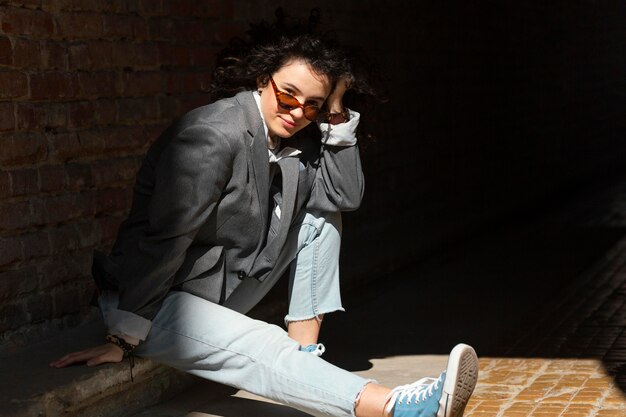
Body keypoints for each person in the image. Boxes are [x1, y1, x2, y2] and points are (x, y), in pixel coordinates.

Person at [50, 9, 478, 417]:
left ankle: (305, 359)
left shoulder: (301, 135)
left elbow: (343, 197)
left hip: (221, 287)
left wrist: (336, 110)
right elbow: (167, 237)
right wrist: (124, 335)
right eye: (288, 94)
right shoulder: (212, 136)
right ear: (262, 78)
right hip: (157, 300)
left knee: (322, 218)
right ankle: (396, 407)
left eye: (312, 104)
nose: (296, 112)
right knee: (263, 344)